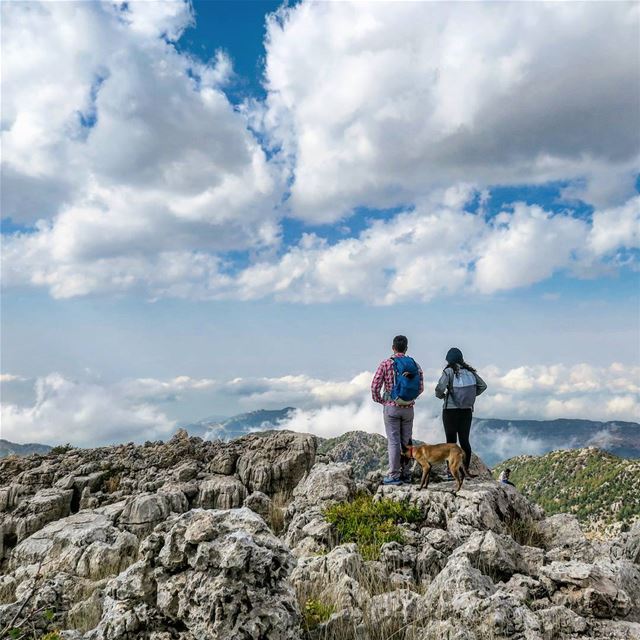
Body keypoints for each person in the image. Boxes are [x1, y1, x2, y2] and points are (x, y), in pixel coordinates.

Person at [371, 335, 424, 485]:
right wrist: (409, 398)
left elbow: (375, 386)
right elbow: (420, 388)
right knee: (407, 441)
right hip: (408, 408)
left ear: (393, 348)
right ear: (406, 348)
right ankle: (406, 474)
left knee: (393, 442)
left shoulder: (386, 364)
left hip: (391, 407)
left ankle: (394, 475)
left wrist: (381, 400)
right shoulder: (414, 364)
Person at [435, 347, 487, 476]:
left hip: (450, 411)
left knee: (451, 441)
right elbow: (483, 386)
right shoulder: (470, 373)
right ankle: (465, 469)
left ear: (449, 360)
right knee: (465, 441)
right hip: (466, 411)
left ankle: (450, 471)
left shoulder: (448, 372)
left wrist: (443, 396)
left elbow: (439, 389)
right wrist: (471, 396)